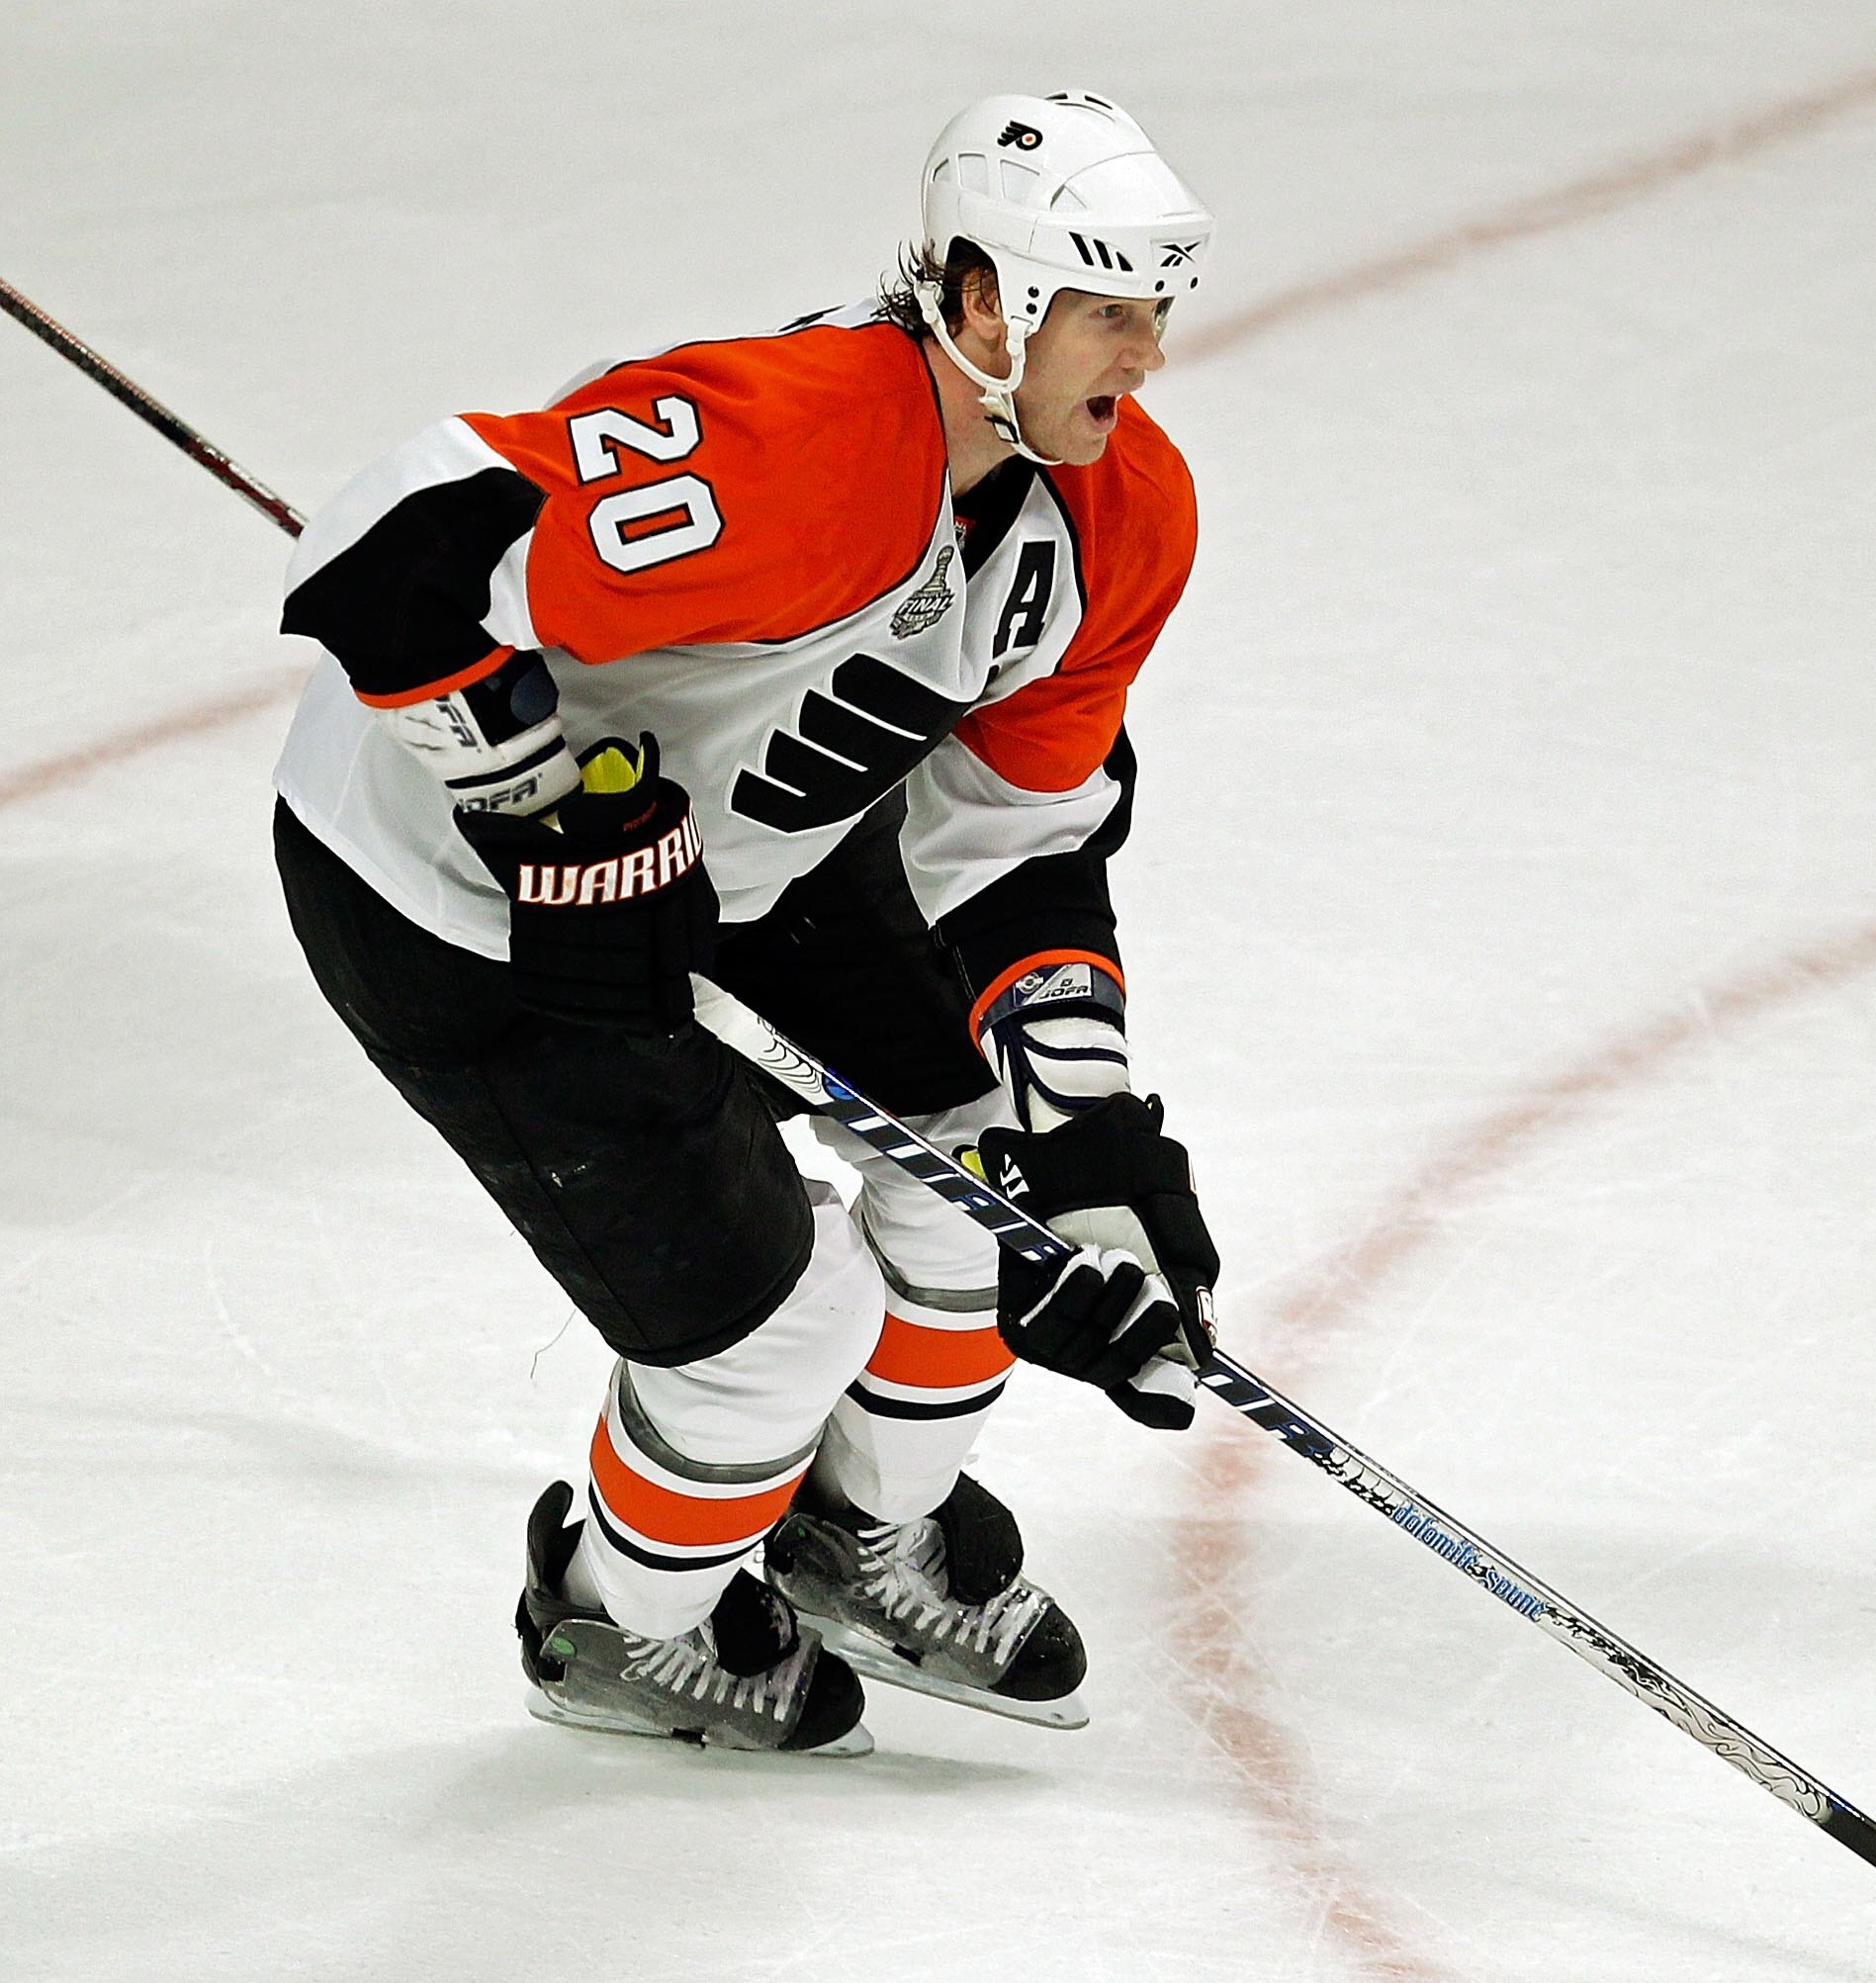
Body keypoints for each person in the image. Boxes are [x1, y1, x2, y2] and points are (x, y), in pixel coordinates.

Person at [268, 91, 1225, 1756]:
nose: (1145, 356)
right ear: (987, 301)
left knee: (985, 1193)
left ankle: (858, 1535)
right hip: (450, 909)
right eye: (1108, 306)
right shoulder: (792, 443)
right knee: (778, 1343)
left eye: (1159, 307)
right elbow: (387, 558)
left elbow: (1013, 843)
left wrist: (1088, 1142)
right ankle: (611, 1621)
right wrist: (537, 801)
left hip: (751, 863)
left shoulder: (1120, 515)